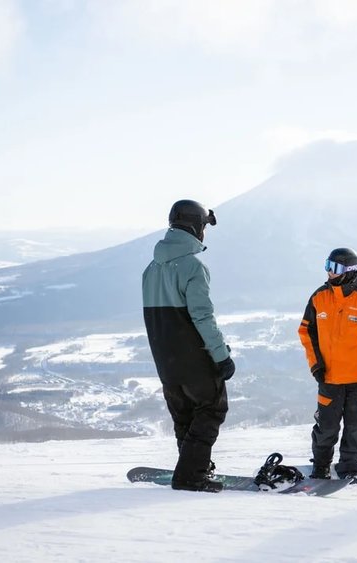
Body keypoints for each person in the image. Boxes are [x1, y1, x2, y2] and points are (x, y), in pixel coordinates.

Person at [142, 199, 235, 493]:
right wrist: (221, 357)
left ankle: (193, 466)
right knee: (211, 407)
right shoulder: (193, 266)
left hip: (163, 358)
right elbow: (202, 316)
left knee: (184, 414)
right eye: (204, 226)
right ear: (196, 227)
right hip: (192, 355)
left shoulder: (151, 268)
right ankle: (191, 475)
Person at [298, 247, 357, 482]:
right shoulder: (319, 297)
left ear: (349, 271)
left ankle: (349, 469)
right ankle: (320, 467)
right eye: (327, 265)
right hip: (329, 379)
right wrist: (315, 364)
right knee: (325, 429)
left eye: (335, 268)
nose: (329, 272)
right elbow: (305, 332)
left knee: (355, 429)